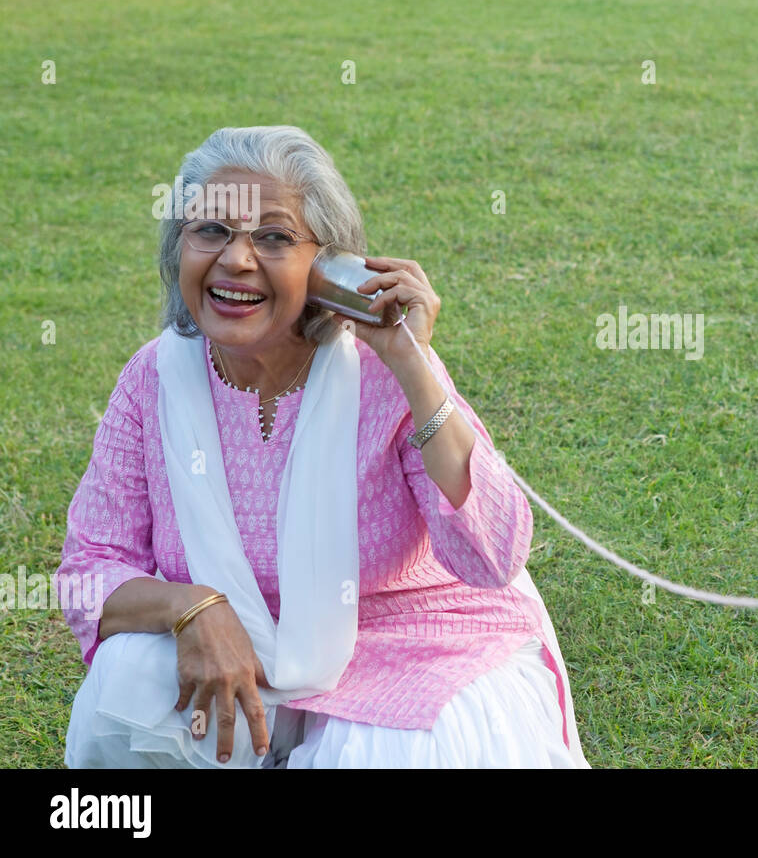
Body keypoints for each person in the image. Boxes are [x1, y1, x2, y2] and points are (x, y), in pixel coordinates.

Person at [58, 125, 588, 768]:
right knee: (126, 680)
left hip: (407, 644)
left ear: (329, 266)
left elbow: (492, 556)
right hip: (239, 643)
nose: (236, 260)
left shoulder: (383, 371)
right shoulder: (154, 379)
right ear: (179, 249)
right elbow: (91, 569)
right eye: (212, 231)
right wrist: (190, 607)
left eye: (275, 237)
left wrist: (413, 365)